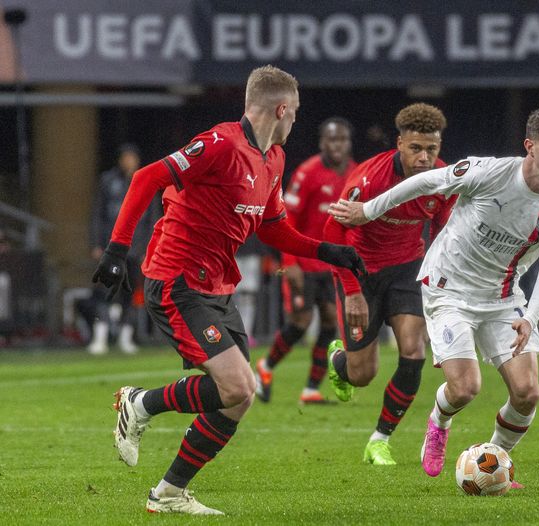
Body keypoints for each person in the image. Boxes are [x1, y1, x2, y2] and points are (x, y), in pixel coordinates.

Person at [91, 65, 365, 515]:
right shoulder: (220, 144)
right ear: (281, 108)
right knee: (237, 385)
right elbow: (146, 178)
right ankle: (140, 405)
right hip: (177, 279)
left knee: (241, 395)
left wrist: (327, 251)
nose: (295, 122)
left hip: (216, 284)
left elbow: (274, 228)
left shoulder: (272, 159)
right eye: (294, 113)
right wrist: (118, 250)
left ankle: (168, 493)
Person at [330, 109, 539, 484]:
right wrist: (368, 210)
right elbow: (425, 182)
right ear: (530, 146)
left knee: (527, 393)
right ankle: (439, 422)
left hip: (502, 297)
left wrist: (531, 318)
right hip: (449, 288)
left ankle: (496, 459)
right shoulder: (490, 172)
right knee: (465, 388)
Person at [322, 103, 457, 466]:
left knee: (413, 352)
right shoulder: (368, 179)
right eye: (416, 148)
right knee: (363, 374)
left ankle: (380, 440)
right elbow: (333, 231)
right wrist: (351, 290)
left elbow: (443, 231)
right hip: (361, 271)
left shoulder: (444, 179)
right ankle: (340, 360)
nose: (425, 157)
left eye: (432, 149)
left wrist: (439, 287)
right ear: (399, 143)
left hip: (407, 271)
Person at [255, 117, 357, 404]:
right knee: (301, 321)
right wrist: (289, 263)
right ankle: (265, 366)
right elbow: (286, 218)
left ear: (349, 143)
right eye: (331, 139)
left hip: (332, 264)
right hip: (302, 261)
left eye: (342, 139)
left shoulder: (355, 173)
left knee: (328, 322)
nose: (337, 145)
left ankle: (311, 389)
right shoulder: (307, 172)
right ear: (322, 142)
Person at [88, 143, 155, 355]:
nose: (129, 162)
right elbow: (97, 214)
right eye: (126, 157)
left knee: (130, 294)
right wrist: (96, 244)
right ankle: (100, 337)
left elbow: (153, 218)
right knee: (104, 291)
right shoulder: (108, 181)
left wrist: (149, 247)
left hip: (135, 249)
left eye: (132, 158)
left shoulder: (147, 181)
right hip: (112, 247)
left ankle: (126, 336)